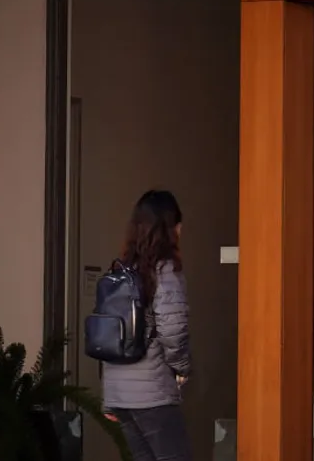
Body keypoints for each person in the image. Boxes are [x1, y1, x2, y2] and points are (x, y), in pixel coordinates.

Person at [102, 189, 193, 461]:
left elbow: (109, 335)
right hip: (152, 394)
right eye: (178, 224)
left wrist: (109, 396)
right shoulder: (164, 271)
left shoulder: (120, 271)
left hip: (120, 395)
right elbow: (172, 330)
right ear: (169, 228)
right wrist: (182, 367)